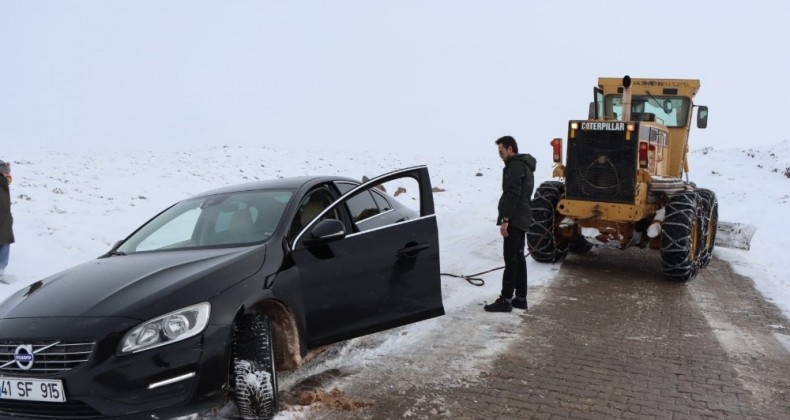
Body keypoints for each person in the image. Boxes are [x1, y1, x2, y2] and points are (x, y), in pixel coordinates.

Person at [484, 136, 536, 312]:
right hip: (522, 217)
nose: (500, 155)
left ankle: (505, 300)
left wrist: (506, 219)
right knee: (519, 257)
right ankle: (520, 298)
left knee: (511, 259)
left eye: (501, 151)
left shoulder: (514, 166)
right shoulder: (524, 165)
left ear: (510, 149)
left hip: (515, 219)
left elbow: (513, 193)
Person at [0, 159, 14, 277]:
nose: (8, 173)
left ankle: (0, 274)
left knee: (4, 247)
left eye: (8, 170)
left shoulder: (3, 185)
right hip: (2, 226)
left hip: (4, 225)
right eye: (4, 170)